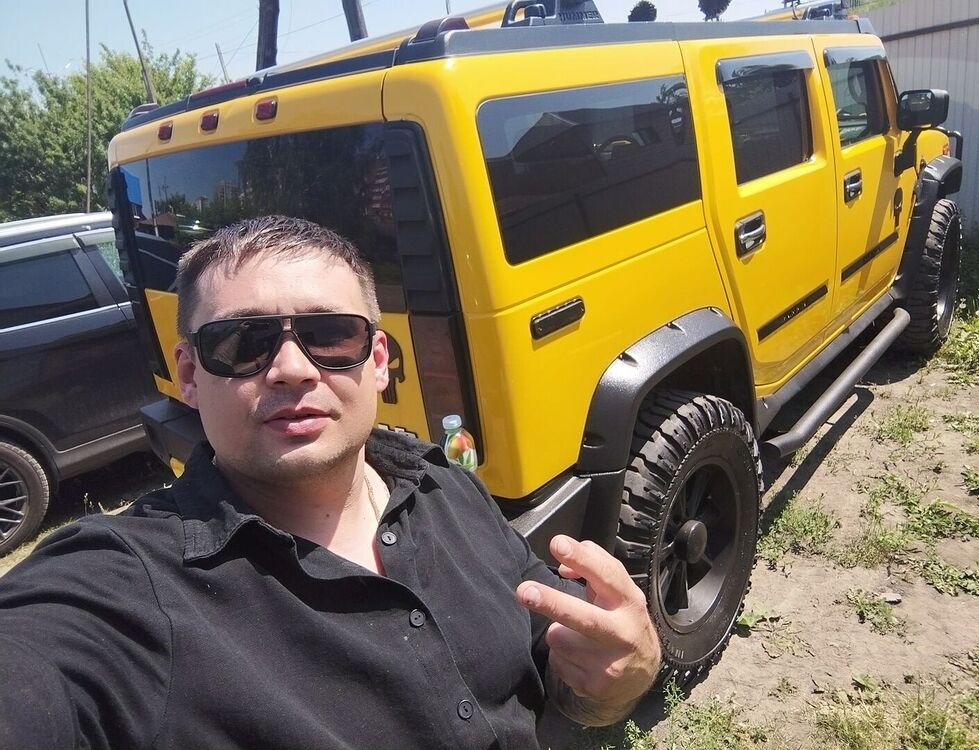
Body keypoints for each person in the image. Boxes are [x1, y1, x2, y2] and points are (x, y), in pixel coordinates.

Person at [0, 215, 660, 749]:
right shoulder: (126, 591)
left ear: (377, 360)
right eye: (242, 342)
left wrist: (612, 684)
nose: (292, 368)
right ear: (190, 374)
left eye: (330, 334)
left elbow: (562, 669)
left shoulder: (443, 483)